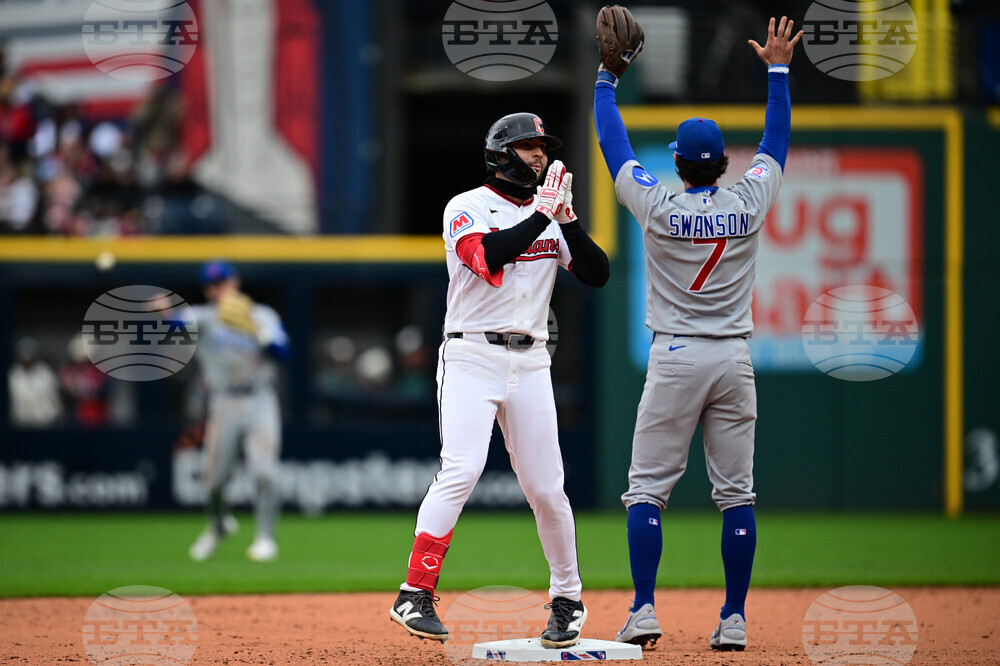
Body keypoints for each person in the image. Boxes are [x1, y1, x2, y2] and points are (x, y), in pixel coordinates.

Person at [593, 14, 803, 652]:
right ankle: (734, 618)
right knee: (736, 494)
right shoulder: (748, 201)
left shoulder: (657, 204)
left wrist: (607, 78)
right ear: (722, 164)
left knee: (646, 491)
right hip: (733, 358)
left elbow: (614, 146)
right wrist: (777, 70)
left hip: (677, 355)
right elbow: (776, 142)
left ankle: (645, 608)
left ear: (679, 163)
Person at [389, 113, 609, 647]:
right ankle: (414, 593)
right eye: (529, 146)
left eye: (543, 148)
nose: (539, 156)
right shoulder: (464, 206)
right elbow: (486, 255)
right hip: (471, 355)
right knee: (461, 469)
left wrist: (569, 222)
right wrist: (543, 217)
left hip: (532, 360)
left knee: (547, 488)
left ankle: (568, 600)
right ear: (502, 153)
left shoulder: (550, 216)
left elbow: (598, 274)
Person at [187, 260, 291, 562]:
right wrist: (164, 311)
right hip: (223, 402)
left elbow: (285, 353)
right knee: (214, 480)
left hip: (261, 399)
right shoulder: (204, 317)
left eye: (226, 282)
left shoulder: (262, 315)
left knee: (264, 472)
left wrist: (258, 331)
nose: (222, 289)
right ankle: (218, 524)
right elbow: (174, 324)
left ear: (236, 283)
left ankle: (265, 539)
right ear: (209, 291)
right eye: (215, 285)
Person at [8, 337, 62, 427]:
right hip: (20, 426)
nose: (27, 362)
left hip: (44, 425)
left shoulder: (46, 373)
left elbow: (55, 399)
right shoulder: (13, 375)